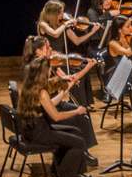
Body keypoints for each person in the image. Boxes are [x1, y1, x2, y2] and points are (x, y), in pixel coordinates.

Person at [21, 35, 100, 166]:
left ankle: (83, 151)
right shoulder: (36, 69)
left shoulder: (42, 65)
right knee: (80, 117)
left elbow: (65, 82)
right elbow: (51, 108)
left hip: (51, 103)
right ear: (39, 52)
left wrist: (85, 69)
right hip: (46, 111)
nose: (51, 49)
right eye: (47, 47)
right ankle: (81, 152)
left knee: (82, 114)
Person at [17, 57, 92, 177]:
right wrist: (76, 111)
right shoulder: (42, 92)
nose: (51, 72)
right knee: (79, 142)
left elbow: (49, 105)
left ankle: (62, 176)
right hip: (40, 133)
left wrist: (64, 91)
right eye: (49, 69)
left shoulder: (30, 87)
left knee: (75, 132)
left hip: (33, 130)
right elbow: (56, 117)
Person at [37, 0, 102, 107]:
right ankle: (79, 104)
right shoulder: (43, 24)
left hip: (61, 58)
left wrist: (92, 32)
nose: (64, 14)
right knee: (75, 70)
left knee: (83, 67)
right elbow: (54, 34)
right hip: (50, 61)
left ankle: (86, 103)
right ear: (54, 13)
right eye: (61, 12)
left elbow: (76, 41)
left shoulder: (62, 24)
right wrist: (67, 23)